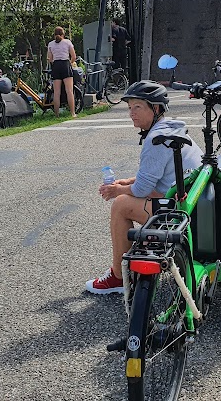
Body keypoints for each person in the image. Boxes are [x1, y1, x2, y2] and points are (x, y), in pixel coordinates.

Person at [85, 81, 203, 294]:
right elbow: (154, 178)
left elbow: (142, 189)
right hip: (195, 204)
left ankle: (119, 278)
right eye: (130, 107)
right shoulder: (171, 130)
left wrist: (117, 190)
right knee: (125, 195)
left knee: (121, 205)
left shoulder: (156, 140)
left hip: (182, 214)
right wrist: (126, 182)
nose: (131, 113)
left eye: (137, 107)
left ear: (155, 108)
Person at [47, 26, 77, 118]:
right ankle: (72, 113)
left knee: (56, 92)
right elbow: (73, 56)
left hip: (56, 65)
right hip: (65, 64)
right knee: (69, 91)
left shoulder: (50, 44)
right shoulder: (67, 42)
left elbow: (50, 59)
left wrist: (54, 63)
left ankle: (56, 114)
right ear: (63, 34)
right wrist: (70, 63)